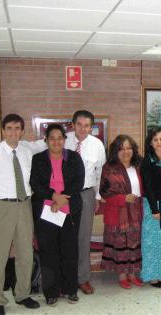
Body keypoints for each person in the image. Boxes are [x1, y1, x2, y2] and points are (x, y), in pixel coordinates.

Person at [0, 113, 40, 315]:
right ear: (4, 131)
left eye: (17, 128)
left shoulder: (27, 150)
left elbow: (46, 143)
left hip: (24, 205)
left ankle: (22, 294)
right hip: (2, 206)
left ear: (22, 131)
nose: (13, 132)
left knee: (25, 253)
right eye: (9, 128)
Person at [30, 124, 85, 306]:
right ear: (46, 140)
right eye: (52, 138)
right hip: (46, 212)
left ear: (64, 139)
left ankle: (70, 290)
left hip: (69, 211)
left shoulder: (74, 157)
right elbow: (35, 184)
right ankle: (51, 292)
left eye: (59, 138)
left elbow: (79, 182)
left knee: (70, 251)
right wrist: (53, 197)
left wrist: (62, 200)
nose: (56, 141)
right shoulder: (38, 159)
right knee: (49, 252)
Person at [66, 111, 106, 295]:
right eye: (79, 124)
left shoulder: (97, 145)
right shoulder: (62, 140)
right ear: (72, 124)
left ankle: (82, 278)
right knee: (63, 237)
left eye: (86, 125)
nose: (82, 128)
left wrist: (97, 197)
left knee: (83, 238)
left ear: (91, 127)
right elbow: (34, 148)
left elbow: (100, 173)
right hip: (62, 196)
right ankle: (65, 279)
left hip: (86, 195)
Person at [100, 135, 143, 289]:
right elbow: (104, 192)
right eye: (122, 148)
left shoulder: (138, 165)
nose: (126, 151)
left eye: (129, 148)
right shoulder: (109, 168)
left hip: (136, 213)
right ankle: (122, 275)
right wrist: (123, 198)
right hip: (118, 213)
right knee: (120, 246)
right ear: (116, 151)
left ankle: (132, 274)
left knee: (133, 244)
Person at [140, 127, 161, 288]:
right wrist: (154, 209)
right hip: (152, 205)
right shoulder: (147, 160)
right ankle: (152, 275)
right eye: (155, 140)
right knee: (152, 241)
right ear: (150, 142)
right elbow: (148, 187)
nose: (159, 142)